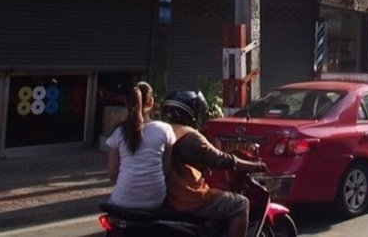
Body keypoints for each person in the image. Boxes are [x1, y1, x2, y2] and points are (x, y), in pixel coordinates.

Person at [162, 90, 264, 237]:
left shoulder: (159, 130)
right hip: (183, 197)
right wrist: (253, 165)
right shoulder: (189, 136)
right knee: (240, 204)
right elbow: (220, 159)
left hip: (162, 193)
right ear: (192, 114)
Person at [106, 81, 175, 210]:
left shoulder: (119, 132)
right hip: (156, 199)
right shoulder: (165, 130)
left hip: (123, 200)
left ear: (127, 103)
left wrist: (127, 187)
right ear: (151, 102)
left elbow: (112, 172)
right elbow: (166, 169)